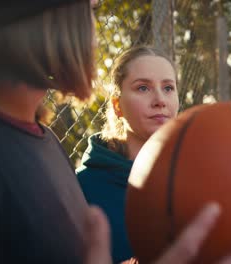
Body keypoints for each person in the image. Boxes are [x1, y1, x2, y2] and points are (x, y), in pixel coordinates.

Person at [0, 1, 231, 263]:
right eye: (90, 8)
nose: (160, 100)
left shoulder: (45, 140)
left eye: (169, 88)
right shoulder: (82, 181)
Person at [77, 46, 180, 263]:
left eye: (168, 88)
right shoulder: (83, 188)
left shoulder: (193, 176)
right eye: (143, 88)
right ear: (117, 105)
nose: (160, 100)